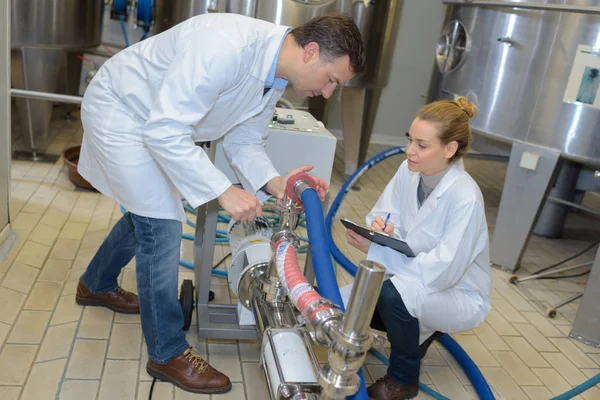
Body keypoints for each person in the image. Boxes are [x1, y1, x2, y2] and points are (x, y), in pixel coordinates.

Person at [75, 13, 365, 395]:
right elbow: (164, 130)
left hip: (158, 124)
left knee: (148, 212)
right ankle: (166, 351)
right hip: (123, 113)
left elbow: (244, 140)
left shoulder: (273, 76)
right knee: (161, 225)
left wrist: (277, 183)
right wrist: (222, 191)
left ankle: (95, 284)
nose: (328, 93)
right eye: (331, 80)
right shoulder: (225, 47)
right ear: (311, 52)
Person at [344, 97, 492, 400]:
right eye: (410, 140)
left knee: (389, 295)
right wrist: (379, 232)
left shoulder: (465, 197)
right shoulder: (407, 171)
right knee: (348, 302)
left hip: (456, 291)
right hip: (416, 276)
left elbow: (442, 272)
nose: (410, 150)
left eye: (422, 145)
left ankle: (403, 379)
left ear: (449, 149)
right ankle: (417, 332)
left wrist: (380, 252)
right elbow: (383, 215)